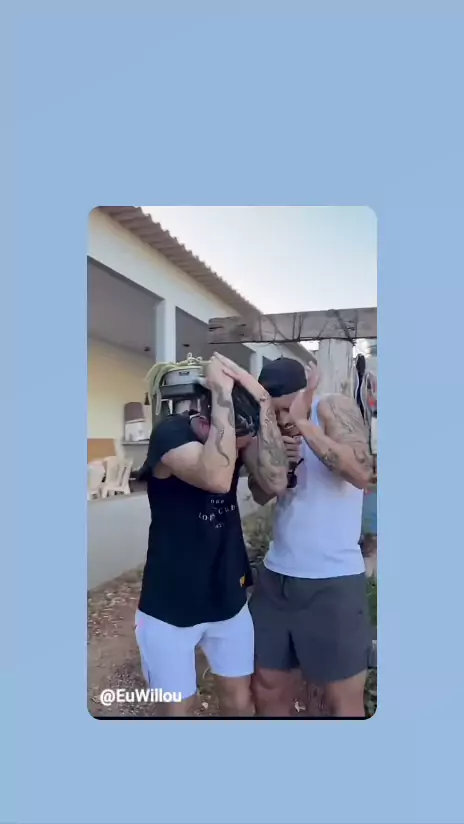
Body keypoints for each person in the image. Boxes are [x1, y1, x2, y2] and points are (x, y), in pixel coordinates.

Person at [135, 352, 288, 717]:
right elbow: (216, 478)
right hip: (169, 605)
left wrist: (263, 402)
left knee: (239, 701)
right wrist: (221, 392)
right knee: (177, 710)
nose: (242, 438)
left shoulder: (237, 435)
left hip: (227, 599)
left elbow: (275, 482)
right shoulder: (171, 433)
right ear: (207, 409)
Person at [248, 357, 374, 718]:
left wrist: (305, 425)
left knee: (341, 700)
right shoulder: (270, 428)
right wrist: (277, 465)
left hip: (333, 582)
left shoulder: (332, 407)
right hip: (277, 579)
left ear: (304, 394)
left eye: (286, 408)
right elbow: (259, 494)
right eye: (274, 411)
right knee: (267, 686)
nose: (281, 418)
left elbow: (362, 473)